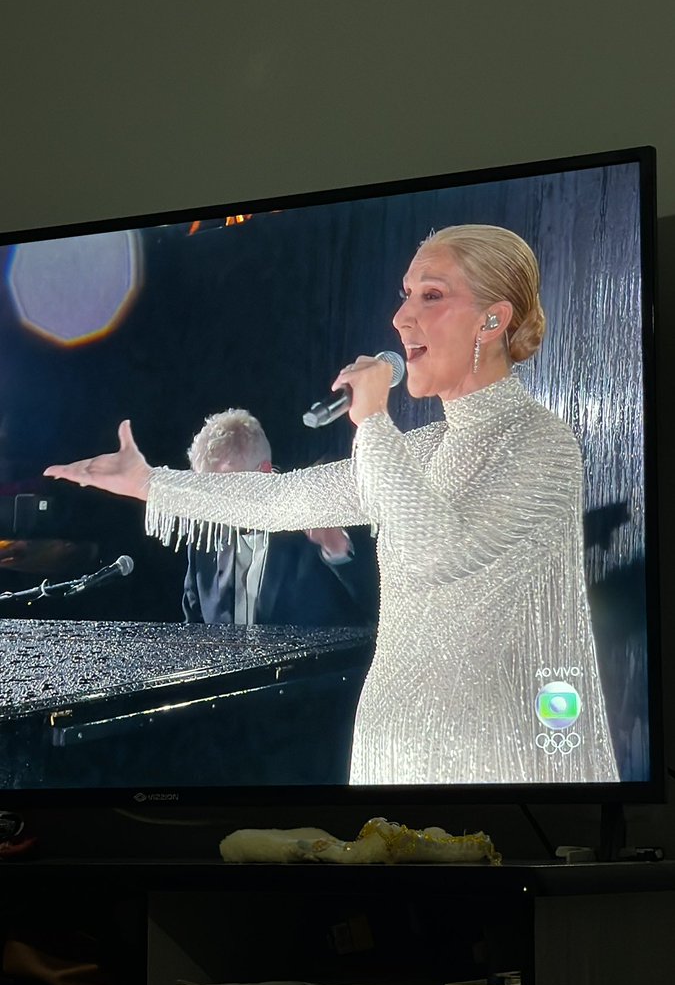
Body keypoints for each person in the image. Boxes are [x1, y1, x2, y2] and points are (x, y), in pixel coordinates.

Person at [45, 224, 619, 785]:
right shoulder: (420, 449)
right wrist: (150, 482)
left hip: (495, 764)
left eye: (432, 295)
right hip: (395, 753)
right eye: (405, 296)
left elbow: (439, 551)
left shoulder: (538, 442)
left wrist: (371, 420)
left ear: (493, 320)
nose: (401, 318)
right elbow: (282, 498)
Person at [181, 408, 376, 627]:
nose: (219, 506)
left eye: (228, 489)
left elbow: (377, 611)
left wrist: (338, 551)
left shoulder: (320, 513)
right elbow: (195, 629)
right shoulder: (204, 538)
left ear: (263, 471)